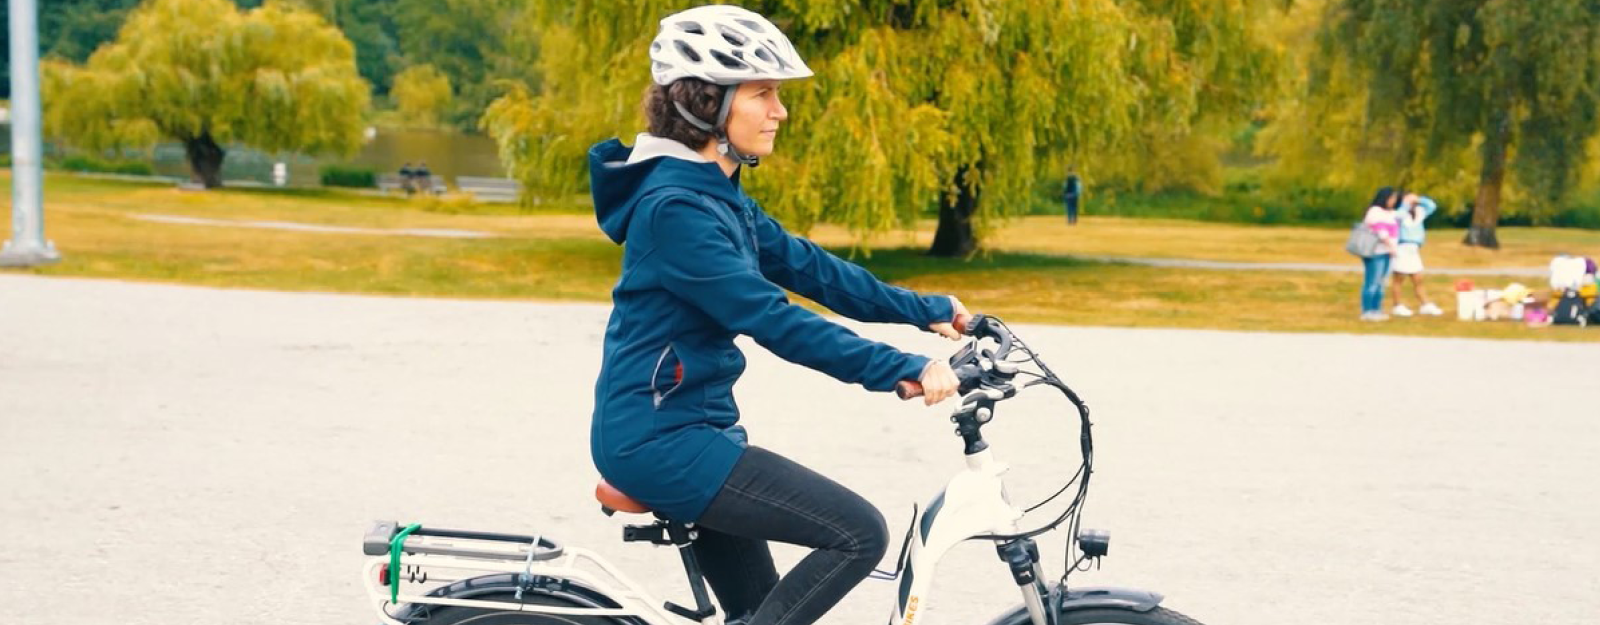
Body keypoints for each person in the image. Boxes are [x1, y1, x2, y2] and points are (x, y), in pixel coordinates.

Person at [585, 6, 966, 625]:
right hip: (661, 443)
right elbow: (771, 318)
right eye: (763, 94)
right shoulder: (674, 209)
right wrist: (904, 368)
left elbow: (812, 270)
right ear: (705, 103)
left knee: (762, 613)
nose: (780, 111)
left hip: (695, 432)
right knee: (858, 533)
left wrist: (929, 311)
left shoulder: (714, 194)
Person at [1389, 193, 1442, 316]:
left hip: (1414, 249)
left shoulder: (1419, 212)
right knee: (1399, 279)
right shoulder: (1399, 212)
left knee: (1418, 278)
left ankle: (1425, 304)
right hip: (1401, 247)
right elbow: (1399, 215)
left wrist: (1419, 199)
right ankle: (1397, 305)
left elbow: (1432, 206)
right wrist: (1405, 204)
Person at [1359, 187, 1401, 321]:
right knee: (1372, 281)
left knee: (1381, 283)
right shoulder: (1374, 212)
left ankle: (1377, 309)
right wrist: (1392, 246)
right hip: (1375, 251)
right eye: (1391, 198)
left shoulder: (1391, 213)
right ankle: (1367, 311)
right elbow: (1381, 232)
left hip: (1387, 252)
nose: (1393, 201)